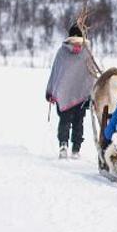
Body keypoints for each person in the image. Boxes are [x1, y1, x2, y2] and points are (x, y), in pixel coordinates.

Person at [44, 24, 96, 159]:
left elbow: (56, 72)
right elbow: (92, 74)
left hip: (65, 93)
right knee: (78, 121)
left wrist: (51, 90)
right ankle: (75, 149)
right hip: (81, 94)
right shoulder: (87, 51)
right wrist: (91, 92)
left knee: (65, 120)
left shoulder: (63, 51)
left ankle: (64, 145)